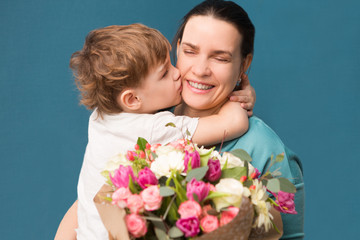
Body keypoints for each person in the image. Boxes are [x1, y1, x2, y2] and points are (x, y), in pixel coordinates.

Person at [59, 23, 253, 240]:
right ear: (132, 99)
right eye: (164, 74)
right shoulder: (154, 128)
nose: (177, 73)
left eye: (171, 64)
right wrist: (240, 93)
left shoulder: (100, 116)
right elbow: (234, 123)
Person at [172, 0, 304, 239]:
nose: (201, 69)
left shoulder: (266, 149)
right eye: (190, 51)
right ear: (177, 49)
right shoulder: (144, 121)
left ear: (244, 64)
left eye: (220, 58)